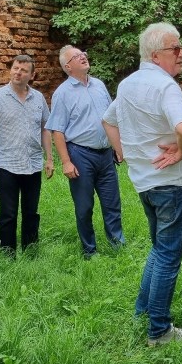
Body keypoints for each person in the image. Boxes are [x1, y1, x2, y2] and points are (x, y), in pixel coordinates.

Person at [102, 22, 182, 347]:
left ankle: (143, 308)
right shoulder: (165, 86)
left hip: (145, 183)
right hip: (172, 183)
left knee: (159, 249)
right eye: (176, 49)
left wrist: (124, 151)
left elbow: (108, 119)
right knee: (169, 254)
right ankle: (159, 330)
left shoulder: (128, 84)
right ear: (157, 55)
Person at [46, 46, 125, 259]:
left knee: (112, 203)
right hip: (80, 155)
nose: (83, 57)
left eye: (84, 54)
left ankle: (117, 244)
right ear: (68, 66)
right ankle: (90, 250)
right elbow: (57, 131)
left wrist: (118, 147)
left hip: (105, 154)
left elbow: (111, 119)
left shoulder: (99, 85)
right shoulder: (62, 93)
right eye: (77, 56)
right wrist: (66, 161)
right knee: (84, 206)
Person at [0, 55, 54, 257]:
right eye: (15, 68)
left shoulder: (38, 98)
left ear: (31, 75)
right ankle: (6, 253)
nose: (18, 72)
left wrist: (50, 159)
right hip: (7, 164)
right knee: (8, 213)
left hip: (33, 163)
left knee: (31, 211)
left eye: (23, 70)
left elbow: (45, 128)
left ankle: (31, 250)